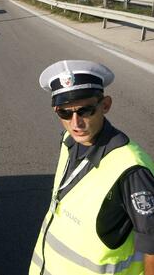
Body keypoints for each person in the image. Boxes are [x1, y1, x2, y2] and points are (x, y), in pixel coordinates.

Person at [29, 60, 154, 275]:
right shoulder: (69, 141)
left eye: (85, 110)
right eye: (65, 113)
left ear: (105, 105)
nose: (75, 123)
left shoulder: (132, 169)